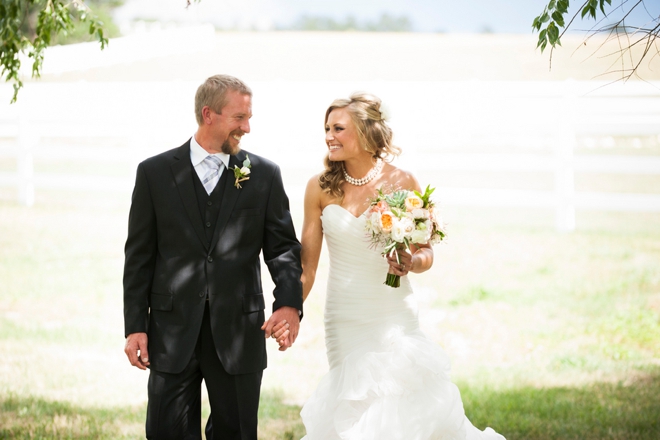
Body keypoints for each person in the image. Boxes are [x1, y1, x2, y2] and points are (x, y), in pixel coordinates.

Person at [298, 93, 505, 439]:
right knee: (354, 404)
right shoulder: (319, 188)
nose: (329, 136)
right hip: (344, 317)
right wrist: (289, 310)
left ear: (365, 133)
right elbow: (308, 266)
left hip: (392, 312)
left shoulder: (403, 183)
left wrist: (412, 262)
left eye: (338, 128)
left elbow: (426, 251)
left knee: (400, 403)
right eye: (326, 128)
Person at [123, 74, 303, 440]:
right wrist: (135, 326)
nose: (247, 128)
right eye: (239, 118)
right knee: (165, 433)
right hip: (171, 332)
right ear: (209, 114)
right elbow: (138, 258)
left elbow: (283, 248)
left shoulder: (264, 175)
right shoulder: (154, 173)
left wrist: (288, 304)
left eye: (248, 117)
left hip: (239, 331)